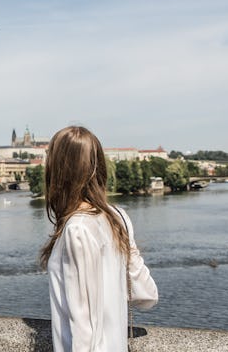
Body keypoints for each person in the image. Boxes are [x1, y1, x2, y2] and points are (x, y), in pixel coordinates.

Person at [39, 126, 159, 351]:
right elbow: (147, 295)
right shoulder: (118, 217)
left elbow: (84, 330)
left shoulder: (77, 229)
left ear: (58, 172)